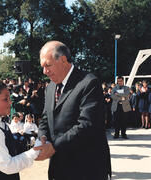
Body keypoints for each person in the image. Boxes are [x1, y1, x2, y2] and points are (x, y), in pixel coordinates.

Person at [35, 41, 111, 180]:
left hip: (86, 169)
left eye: (48, 65)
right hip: (59, 168)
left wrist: (54, 147)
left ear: (63, 60)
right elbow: (46, 118)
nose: (44, 71)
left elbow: (87, 125)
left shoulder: (89, 83)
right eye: (43, 67)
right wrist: (43, 137)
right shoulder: (50, 87)